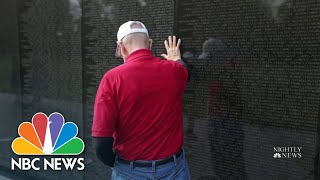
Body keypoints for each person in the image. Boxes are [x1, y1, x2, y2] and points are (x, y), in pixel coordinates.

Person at [91, 21, 191, 180]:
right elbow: (186, 71)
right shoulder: (175, 71)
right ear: (149, 45)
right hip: (174, 170)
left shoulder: (112, 79)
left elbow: (101, 143)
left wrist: (120, 166)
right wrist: (176, 59)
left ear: (121, 47)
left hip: (130, 171)